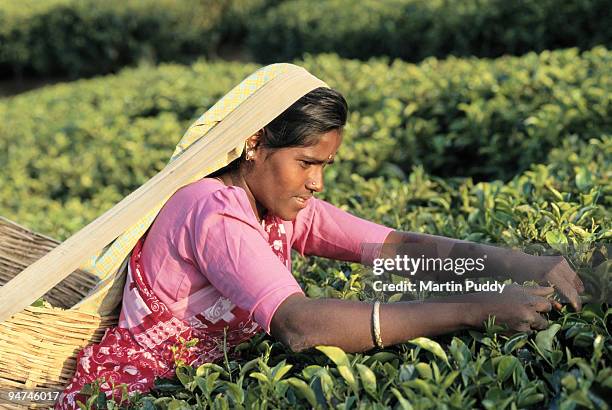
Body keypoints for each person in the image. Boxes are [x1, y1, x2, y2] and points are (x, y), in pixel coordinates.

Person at [55, 65, 583, 409]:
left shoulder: (278, 204)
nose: (317, 182)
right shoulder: (211, 208)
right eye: (306, 163)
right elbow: (301, 325)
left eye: (325, 165)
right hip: (145, 393)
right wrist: (473, 307)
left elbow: (395, 250)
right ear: (254, 144)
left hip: (206, 380)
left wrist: (516, 265)